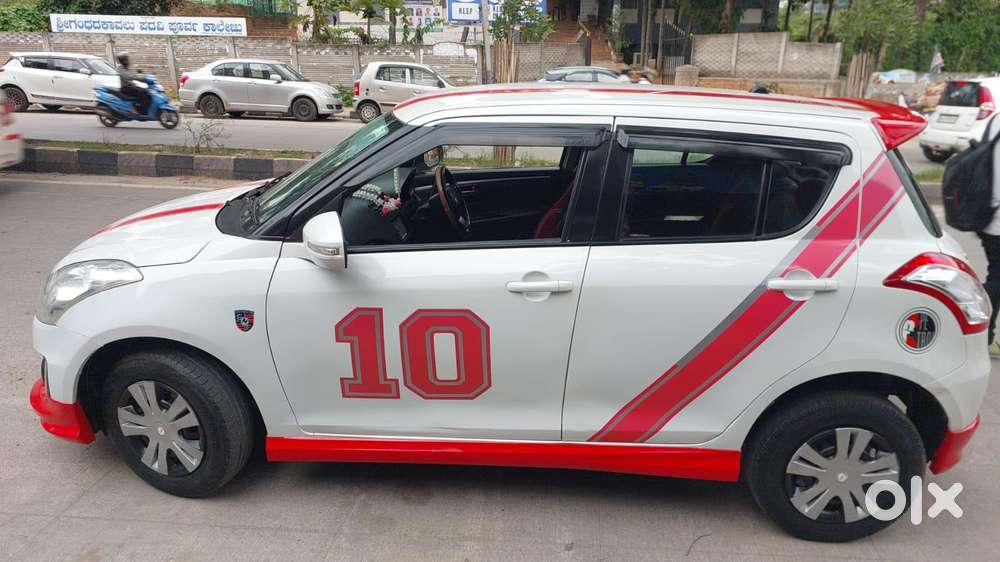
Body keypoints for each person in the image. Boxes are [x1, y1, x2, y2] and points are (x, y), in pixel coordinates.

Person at [976, 113, 1000, 355]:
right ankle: (983, 336)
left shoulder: (995, 119)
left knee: (996, 276)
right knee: (997, 280)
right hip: (997, 218)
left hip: (987, 213)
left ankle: (985, 336)